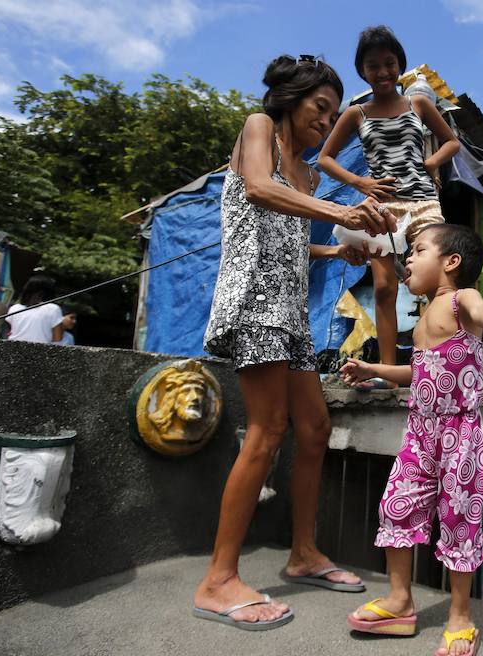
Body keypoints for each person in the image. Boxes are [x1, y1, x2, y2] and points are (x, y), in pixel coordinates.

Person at [194, 54, 396, 632]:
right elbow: (257, 190)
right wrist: (341, 209)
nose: (324, 120)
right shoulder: (258, 131)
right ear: (290, 99)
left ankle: (303, 552)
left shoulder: (306, 173)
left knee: (314, 429)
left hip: (290, 316)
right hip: (254, 303)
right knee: (267, 429)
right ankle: (217, 579)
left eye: (333, 112)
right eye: (320, 108)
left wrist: (336, 249)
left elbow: (288, 240)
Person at [339, 224, 483, 656]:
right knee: (397, 505)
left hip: (459, 434)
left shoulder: (459, 299)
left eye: (418, 251)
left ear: (450, 262)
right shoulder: (422, 321)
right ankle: (399, 602)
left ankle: (460, 617)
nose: (408, 260)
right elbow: (419, 372)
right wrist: (373, 370)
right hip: (420, 431)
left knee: (458, 519)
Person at [318, 25, 460, 387]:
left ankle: (443, 361)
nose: (382, 71)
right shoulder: (356, 114)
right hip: (382, 207)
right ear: (362, 70)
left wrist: (431, 164)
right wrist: (360, 182)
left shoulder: (419, 103)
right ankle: (387, 372)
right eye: (372, 65)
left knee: (438, 280)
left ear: (399, 65)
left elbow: (451, 143)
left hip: (424, 202)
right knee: (384, 287)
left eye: (389, 63)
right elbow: (325, 159)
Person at [5, 274, 64, 343]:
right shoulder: (53, 309)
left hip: (11, 349)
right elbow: (58, 338)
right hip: (38, 351)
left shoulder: (14, 308)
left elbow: (10, 331)